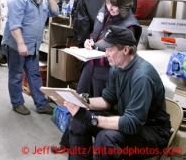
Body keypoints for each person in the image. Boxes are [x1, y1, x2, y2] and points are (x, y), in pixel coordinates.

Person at [52, 0, 142, 153]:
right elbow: (97, 33)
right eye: (108, 3)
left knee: (94, 108)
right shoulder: (105, 12)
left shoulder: (130, 25)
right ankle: (68, 143)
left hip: (106, 72)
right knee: (77, 102)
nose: (110, 8)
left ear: (124, 4)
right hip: (90, 66)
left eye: (115, 5)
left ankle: (95, 147)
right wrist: (89, 41)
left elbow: (123, 56)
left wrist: (100, 53)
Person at [62, 25, 171, 160]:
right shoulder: (117, 68)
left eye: (109, 50)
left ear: (126, 49)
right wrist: (81, 101)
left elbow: (132, 123)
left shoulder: (142, 76)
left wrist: (92, 120)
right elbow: (107, 100)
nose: (105, 54)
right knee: (79, 121)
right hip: (128, 119)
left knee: (106, 138)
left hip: (153, 131)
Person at [1, 0, 59, 115]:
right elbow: (14, 26)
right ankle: (17, 103)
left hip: (33, 46)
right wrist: (21, 44)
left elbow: (55, 12)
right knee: (16, 76)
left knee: (34, 75)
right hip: (16, 45)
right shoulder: (17, 0)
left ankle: (41, 104)